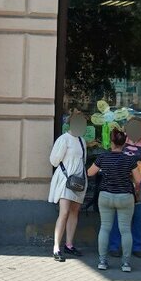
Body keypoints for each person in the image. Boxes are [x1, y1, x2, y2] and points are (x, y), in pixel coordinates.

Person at [87, 128, 141, 273]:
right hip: (125, 197)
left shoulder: (103, 157)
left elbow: (90, 173)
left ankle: (102, 261)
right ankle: (126, 264)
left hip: (105, 196)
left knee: (105, 228)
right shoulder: (130, 159)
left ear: (111, 142)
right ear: (124, 144)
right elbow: (138, 180)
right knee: (125, 230)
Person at [110, 119, 141, 258]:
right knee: (118, 214)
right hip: (123, 180)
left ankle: (137, 246)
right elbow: (114, 153)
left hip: (140, 182)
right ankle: (114, 246)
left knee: (137, 215)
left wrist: (139, 162)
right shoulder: (124, 139)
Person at [48, 112, 88, 262]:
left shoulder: (82, 140)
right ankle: (56, 247)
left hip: (79, 181)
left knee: (74, 212)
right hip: (66, 179)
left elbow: (83, 161)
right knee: (64, 212)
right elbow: (53, 161)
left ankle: (69, 245)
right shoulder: (64, 139)